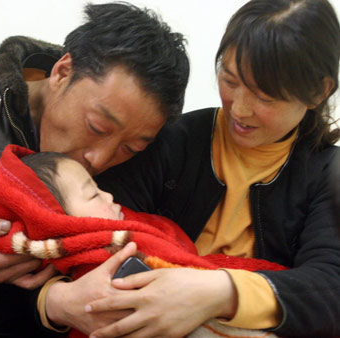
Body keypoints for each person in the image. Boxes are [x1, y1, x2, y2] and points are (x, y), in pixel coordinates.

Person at [0, 2, 189, 337]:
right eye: (97, 127)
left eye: (130, 147)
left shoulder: (150, 161)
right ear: (62, 72)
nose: (100, 159)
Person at [83, 0, 338, 337]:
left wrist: (219, 291)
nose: (240, 109)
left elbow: (330, 287)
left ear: (318, 92)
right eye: (230, 81)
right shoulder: (173, 142)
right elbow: (90, 231)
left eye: (266, 97)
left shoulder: (327, 174)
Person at [0, 144, 287, 338]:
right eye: (93, 194)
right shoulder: (107, 252)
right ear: (59, 221)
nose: (110, 195)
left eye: (134, 143)